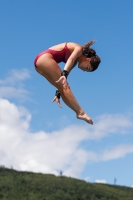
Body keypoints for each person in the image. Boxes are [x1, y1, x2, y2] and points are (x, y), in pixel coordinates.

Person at [34, 40, 101, 125]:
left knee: (63, 86)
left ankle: (79, 112)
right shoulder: (79, 49)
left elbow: (64, 77)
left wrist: (58, 93)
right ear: (88, 59)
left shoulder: (73, 63)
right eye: (87, 68)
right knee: (65, 87)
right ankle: (80, 112)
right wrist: (64, 74)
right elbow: (71, 59)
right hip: (44, 58)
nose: (84, 70)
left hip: (39, 63)